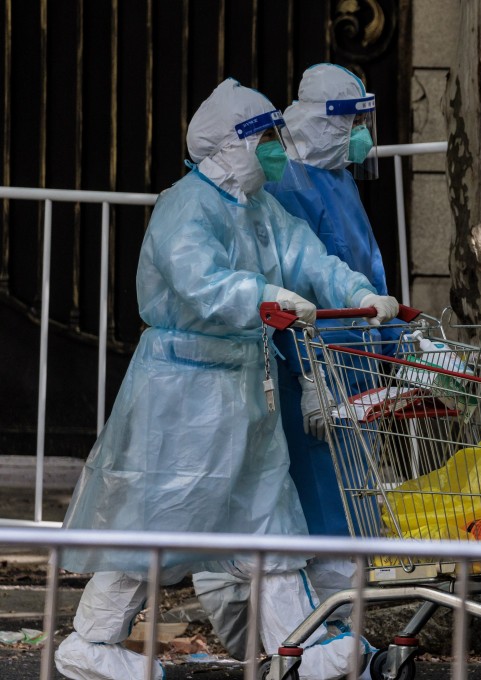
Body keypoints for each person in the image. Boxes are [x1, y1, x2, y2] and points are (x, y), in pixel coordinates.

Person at [53, 77, 398, 680]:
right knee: (156, 518)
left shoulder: (262, 209)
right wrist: (264, 296)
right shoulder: (184, 205)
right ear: (229, 145)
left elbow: (310, 258)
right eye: (263, 137)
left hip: (245, 386)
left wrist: (359, 292)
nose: (273, 148)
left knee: (270, 522)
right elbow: (199, 282)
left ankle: (298, 649)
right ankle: (91, 641)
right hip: (182, 392)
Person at [191, 63, 396, 661]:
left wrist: (382, 324)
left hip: (346, 367)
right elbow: (280, 293)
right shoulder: (274, 191)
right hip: (308, 371)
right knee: (310, 511)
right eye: (352, 121)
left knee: (337, 508)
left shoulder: (330, 181)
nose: (361, 134)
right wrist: (310, 375)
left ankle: (321, 639)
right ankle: (312, 640)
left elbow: (335, 269)